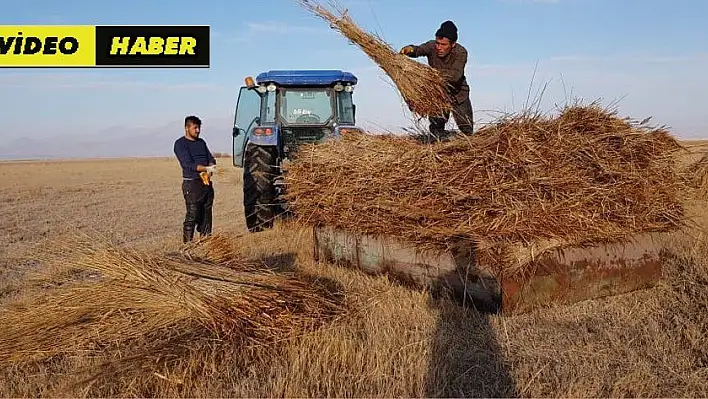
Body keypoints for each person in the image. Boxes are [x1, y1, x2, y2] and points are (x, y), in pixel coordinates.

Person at [400, 20, 474, 139]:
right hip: (438, 94)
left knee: (467, 129)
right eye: (438, 43)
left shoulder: (461, 52)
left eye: (443, 45)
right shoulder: (432, 46)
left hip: (458, 94)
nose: (439, 47)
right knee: (436, 129)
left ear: (453, 44)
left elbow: (455, 76)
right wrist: (410, 49)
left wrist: (430, 74)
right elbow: (419, 50)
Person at [173, 115, 217, 243]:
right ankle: (188, 246)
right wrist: (205, 169)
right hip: (192, 185)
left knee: (206, 216)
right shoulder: (180, 144)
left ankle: (206, 244)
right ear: (187, 128)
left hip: (206, 184)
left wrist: (210, 166)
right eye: (195, 128)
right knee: (192, 215)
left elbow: (210, 158)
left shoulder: (201, 142)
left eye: (199, 128)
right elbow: (187, 164)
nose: (198, 130)